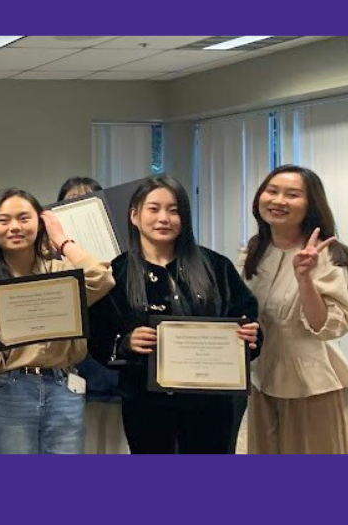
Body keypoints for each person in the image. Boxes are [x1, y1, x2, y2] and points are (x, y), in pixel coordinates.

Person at [88, 176, 259, 454]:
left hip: (214, 402)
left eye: (174, 210)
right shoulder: (117, 273)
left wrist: (250, 335)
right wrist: (126, 342)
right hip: (146, 402)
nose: (164, 218)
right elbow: (98, 333)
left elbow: (246, 317)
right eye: (153, 209)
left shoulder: (216, 266)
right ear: (135, 215)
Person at [0, 188, 114, 455]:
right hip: (7, 391)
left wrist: (62, 240)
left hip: (63, 388)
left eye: (24, 218)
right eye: (4, 220)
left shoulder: (62, 274)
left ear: (40, 221)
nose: (15, 227)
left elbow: (102, 279)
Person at [242, 165, 348, 454]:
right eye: (272, 191)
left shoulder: (328, 256)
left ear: (311, 205)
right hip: (262, 379)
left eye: (292, 194)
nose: (278, 200)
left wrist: (304, 280)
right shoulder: (254, 250)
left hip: (311, 387)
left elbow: (327, 327)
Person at [54, 176, 127, 455]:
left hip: (115, 368)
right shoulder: (52, 261)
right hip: (75, 370)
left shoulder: (122, 259)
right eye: (70, 203)